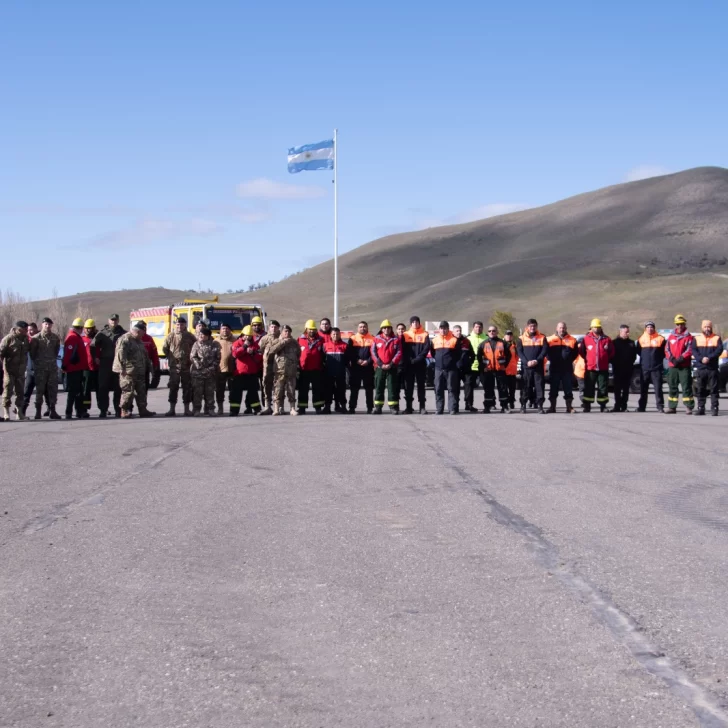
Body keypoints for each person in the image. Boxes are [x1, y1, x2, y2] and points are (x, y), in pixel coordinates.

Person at [113, 322, 155, 418]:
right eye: (142, 333)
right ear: (137, 331)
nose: (143, 335)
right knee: (128, 392)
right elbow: (120, 355)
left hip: (139, 371)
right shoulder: (125, 339)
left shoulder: (138, 340)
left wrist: (150, 367)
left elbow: (144, 354)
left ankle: (143, 410)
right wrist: (122, 368)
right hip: (128, 371)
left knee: (141, 392)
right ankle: (124, 410)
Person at [578, 318, 614, 413]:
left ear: (600, 327)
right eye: (594, 327)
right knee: (589, 387)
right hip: (591, 368)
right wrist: (589, 359)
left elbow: (611, 352)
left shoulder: (607, 339)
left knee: (603, 387)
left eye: (598, 327)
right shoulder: (586, 339)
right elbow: (582, 351)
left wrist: (605, 359)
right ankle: (587, 406)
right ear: (591, 327)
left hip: (603, 368)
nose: (596, 329)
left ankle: (603, 406)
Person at [163, 316, 196, 417]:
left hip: (186, 366)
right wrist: (171, 358)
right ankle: (172, 409)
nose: (179, 326)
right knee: (173, 387)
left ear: (185, 325)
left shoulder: (190, 336)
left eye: (181, 324)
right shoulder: (171, 336)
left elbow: (195, 347)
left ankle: (187, 409)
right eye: (178, 324)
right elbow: (165, 349)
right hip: (175, 366)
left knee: (187, 387)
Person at [29, 317, 61, 420]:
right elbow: (32, 354)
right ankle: (38, 412)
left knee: (53, 390)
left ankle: (53, 410)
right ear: (42, 325)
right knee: (40, 390)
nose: (47, 326)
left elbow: (56, 351)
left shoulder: (55, 338)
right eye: (46, 324)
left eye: (49, 324)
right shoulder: (36, 338)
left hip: (52, 368)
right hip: (40, 369)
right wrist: (39, 362)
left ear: (52, 325)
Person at [517, 319, 548, 413]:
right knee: (525, 387)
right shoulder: (521, 338)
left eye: (534, 326)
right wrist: (527, 362)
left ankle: (540, 406)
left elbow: (544, 351)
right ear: (527, 327)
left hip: (538, 367)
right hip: (526, 368)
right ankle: (523, 406)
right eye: (531, 326)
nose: (532, 328)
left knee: (539, 387)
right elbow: (519, 352)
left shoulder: (542, 337)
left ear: (536, 326)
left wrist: (537, 360)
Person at [665, 314, 695, 415]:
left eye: (681, 324)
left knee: (686, 386)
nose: (679, 326)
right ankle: (672, 407)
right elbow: (666, 349)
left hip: (684, 366)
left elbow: (690, 350)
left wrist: (681, 358)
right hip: (673, 366)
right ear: (675, 325)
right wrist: (672, 359)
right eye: (678, 324)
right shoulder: (671, 336)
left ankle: (689, 406)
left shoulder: (689, 337)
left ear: (684, 324)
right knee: (672, 386)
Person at [1, 321, 30, 421]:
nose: (27, 332)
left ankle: (19, 413)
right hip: (9, 370)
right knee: (7, 391)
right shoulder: (9, 339)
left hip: (21, 371)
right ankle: (6, 413)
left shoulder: (26, 339)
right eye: (25, 330)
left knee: (20, 392)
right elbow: (1, 353)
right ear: (19, 329)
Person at [477, 324, 511, 413]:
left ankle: (504, 406)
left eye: (493, 331)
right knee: (488, 389)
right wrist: (483, 367)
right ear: (487, 332)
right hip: (488, 370)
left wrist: (504, 366)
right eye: (489, 331)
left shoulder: (503, 343)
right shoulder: (483, 344)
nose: (491, 332)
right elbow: (479, 357)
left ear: (497, 332)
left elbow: (509, 356)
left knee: (503, 388)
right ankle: (488, 406)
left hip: (500, 370)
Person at [546, 322, 579, 413]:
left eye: (563, 328)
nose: (562, 329)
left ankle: (569, 407)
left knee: (568, 388)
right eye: (560, 328)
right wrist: (552, 359)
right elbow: (546, 352)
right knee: (553, 388)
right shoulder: (550, 339)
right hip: (554, 368)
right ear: (557, 328)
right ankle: (552, 407)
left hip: (567, 368)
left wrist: (568, 360)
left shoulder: (572, 340)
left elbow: (575, 353)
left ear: (566, 328)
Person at [230, 325, 263, 415]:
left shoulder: (255, 345)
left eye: (249, 336)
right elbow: (235, 354)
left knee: (253, 392)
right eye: (246, 335)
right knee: (236, 393)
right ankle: (234, 410)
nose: (247, 337)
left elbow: (260, 356)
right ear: (242, 335)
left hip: (252, 373)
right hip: (239, 373)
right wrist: (244, 347)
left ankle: (256, 409)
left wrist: (253, 352)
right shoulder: (237, 343)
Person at [371, 320, 402, 414]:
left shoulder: (396, 339)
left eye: (388, 328)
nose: (386, 329)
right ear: (381, 329)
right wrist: (380, 364)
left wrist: (391, 364)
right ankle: (378, 407)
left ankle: (393, 407)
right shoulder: (376, 339)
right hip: (380, 368)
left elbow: (399, 352)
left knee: (392, 387)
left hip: (392, 368)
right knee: (379, 387)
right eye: (384, 328)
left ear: (391, 329)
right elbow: (373, 352)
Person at [431, 321, 462, 415]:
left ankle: (452, 409)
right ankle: (439, 409)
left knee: (451, 389)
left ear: (448, 329)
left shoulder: (454, 340)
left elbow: (458, 354)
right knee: (438, 389)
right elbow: (433, 353)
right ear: (439, 329)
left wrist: (452, 364)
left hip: (451, 369)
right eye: (441, 328)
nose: (443, 330)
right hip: (438, 369)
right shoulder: (434, 340)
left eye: (445, 328)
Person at [693, 320, 723, 416]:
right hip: (701, 368)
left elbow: (719, 350)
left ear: (711, 327)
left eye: (708, 327)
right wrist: (701, 359)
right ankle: (701, 408)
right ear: (702, 328)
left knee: (714, 389)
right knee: (700, 389)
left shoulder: (716, 338)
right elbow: (694, 350)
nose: (707, 329)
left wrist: (709, 358)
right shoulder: (696, 338)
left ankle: (714, 408)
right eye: (705, 327)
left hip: (712, 369)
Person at [269, 325, 300, 415]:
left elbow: (298, 353)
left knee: (291, 390)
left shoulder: (294, 342)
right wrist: (283, 343)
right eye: (285, 331)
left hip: (291, 371)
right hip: (279, 371)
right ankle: (276, 409)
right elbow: (272, 350)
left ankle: (292, 408)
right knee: (278, 391)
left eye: (288, 331)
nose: (287, 333)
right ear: (281, 332)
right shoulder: (277, 341)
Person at [635, 321, 666, 413]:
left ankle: (660, 407)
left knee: (658, 389)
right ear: (645, 328)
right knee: (643, 389)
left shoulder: (661, 339)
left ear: (654, 328)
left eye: (651, 327)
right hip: (644, 368)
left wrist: (657, 361)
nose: (649, 329)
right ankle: (642, 407)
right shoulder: (641, 339)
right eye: (648, 327)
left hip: (656, 368)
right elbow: (639, 352)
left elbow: (664, 353)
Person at [190, 326, 221, 416]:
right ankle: (196, 410)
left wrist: (211, 368)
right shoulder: (196, 344)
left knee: (210, 392)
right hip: (198, 373)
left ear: (207, 336)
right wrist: (199, 366)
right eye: (200, 334)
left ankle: (210, 409)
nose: (201, 336)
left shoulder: (214, 345)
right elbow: (193, 356)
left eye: (203, 334)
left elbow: (218, 358)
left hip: (210, 373)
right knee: (197, 393)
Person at [62, 318, 89, 420]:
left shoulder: (76, 337)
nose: (80, 329)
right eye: (80, 328)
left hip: (78, 368)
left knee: (79, 392)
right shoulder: (72, 338)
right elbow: (68, 353)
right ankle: (69, 412)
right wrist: (65, 365)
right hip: (73, 369)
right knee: (73, 392)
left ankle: (79, 411)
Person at [402, 316, 430, 415]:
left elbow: (426, 349)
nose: (415, 323)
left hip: (420, 364)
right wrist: (409, 360)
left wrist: (417, 359)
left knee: (421, 386)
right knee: (408, 386)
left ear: (419, 322)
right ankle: (408, 407)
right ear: (410, 324)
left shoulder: (425, 334)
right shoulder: (405, 335)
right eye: (413, 322)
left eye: (416, 321)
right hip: (409, 365)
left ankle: (422, 407)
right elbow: (403, 350)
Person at [297, 319, 326, 414]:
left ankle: (318, 407)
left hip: (316, 369)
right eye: (310, 329)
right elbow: (296, 353)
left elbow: (324, 353)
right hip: (304, 369)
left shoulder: (321, 340)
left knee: (317, 389)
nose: (311, 331)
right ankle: (302, 407)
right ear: (306, 329)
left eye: (313, 329)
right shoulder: (300, 339)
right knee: (303, 389)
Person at [101, 314, 126, 416]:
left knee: (118, 388)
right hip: (105, 364)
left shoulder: (124, 334)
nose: (113, 322)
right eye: (112, 320)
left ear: (118, 320)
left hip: (118, 364)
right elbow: (93, 346)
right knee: (103, 388)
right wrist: (96, 358)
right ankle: (103, 410)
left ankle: (118, 410)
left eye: (115, 320)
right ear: (108, 320)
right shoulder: (102, 333)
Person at [347, 321, 375, 414]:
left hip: (368, 368)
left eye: (364, 327)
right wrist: (357, 360)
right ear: (357, 328)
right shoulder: (352, 339)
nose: (362, 328)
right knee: (354, 388)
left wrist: (368, 361)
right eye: (361, 327)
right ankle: (352, 407)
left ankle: (370, 407)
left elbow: (375, 353)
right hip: (356, 368)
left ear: (367, 328)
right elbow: (349, 353)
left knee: (369, 388)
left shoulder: (372, 338)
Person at [611, 324, 637, 412]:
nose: (628, 334)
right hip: (617, 369)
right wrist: (616, 363)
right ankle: (617, 406)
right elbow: (611, 356)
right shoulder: (614, 342)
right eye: (626, 332)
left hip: (628, 369)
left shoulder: (631, 343)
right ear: (620, 332)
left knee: (626, 389)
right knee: (617, 389)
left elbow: (634, 356)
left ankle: (624, 406)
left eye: (628, 332)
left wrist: (629, 364)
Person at [257, 320, 281, 415]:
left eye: (275, 327)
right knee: (266, 385)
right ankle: (267, 406)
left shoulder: (281, 338)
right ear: (269, 328)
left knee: (278, 386)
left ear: (278, 328)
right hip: (267, 366)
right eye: (271, 327)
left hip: (279, 366)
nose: (273, 328)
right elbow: (260, 350)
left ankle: (278, 407)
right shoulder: (264, 339)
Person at [323, 327, 348, 413]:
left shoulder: (344, 345)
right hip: (328, 373)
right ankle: (327, 407)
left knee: (341, 390)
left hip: (340, 372)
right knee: (328, 390)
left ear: (340, 334)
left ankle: (343, 406)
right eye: (333, 334)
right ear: (330, 335)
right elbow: (322, 359)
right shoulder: (325, 345)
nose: (335, 335)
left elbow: (347, 360)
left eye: (337, 334)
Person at [465, 322, 487, 412]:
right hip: (471, 366)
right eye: (476, 327)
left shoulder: (486, 338)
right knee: (469, 387)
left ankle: (489, 404)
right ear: (473, 328)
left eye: (480, 327)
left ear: (482, 328)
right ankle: (469, 405)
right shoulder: (468, 338)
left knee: (487, 386)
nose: (478, 329)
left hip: (483, 366)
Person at [215, 322, 236, 415]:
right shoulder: (215, 341)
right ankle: (220, 408)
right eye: (223, 328)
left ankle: (233, 408)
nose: (225, 330)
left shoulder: (235, 340)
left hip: (232, 370)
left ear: (230, 330)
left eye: (227, 328)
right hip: (220, 370)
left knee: (233, 391)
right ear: (220, 330)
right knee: (220, 390)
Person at [453, 325, 475, 412]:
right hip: (455, 369)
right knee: (455, 388)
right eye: (457, 331)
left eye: (460, 330)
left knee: (469, 386)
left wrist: (469, 362)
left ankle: (469, 405)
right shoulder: (451, 341)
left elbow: (472, 354)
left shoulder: (466, 341)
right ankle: (455, 406)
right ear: (453, 332)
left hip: (466, 368)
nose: (458, 332)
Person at [81, 319, 99, 416]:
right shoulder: (82, 340)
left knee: (99, 389)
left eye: (90, 329)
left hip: (97, 368)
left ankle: (102, 408)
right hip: (86, 369)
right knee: (86, 390)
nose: (88, 330)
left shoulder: (97, 339)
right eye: (86, 329)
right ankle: (85, 409)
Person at [21, 322, 39, 416]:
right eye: (28, 330)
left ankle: (49, 410)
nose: (30, 332)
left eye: (31, 330)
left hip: (40, 370)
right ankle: (22, 411)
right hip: (30, 370)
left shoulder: (41, 339)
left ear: (36, 329)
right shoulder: (26, 340)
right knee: (26, 391)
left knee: (45, 391)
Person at [503, 330, 518, 410]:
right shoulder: (501, 345)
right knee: (504, 389)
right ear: (504, 336)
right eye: (507, 335)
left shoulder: (514, 345)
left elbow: (517, 357)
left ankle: (511, 401)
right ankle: (505, 403)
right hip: (504, 371)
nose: (509, 336)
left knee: (512, 389)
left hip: (512, 371)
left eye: (510, 335)